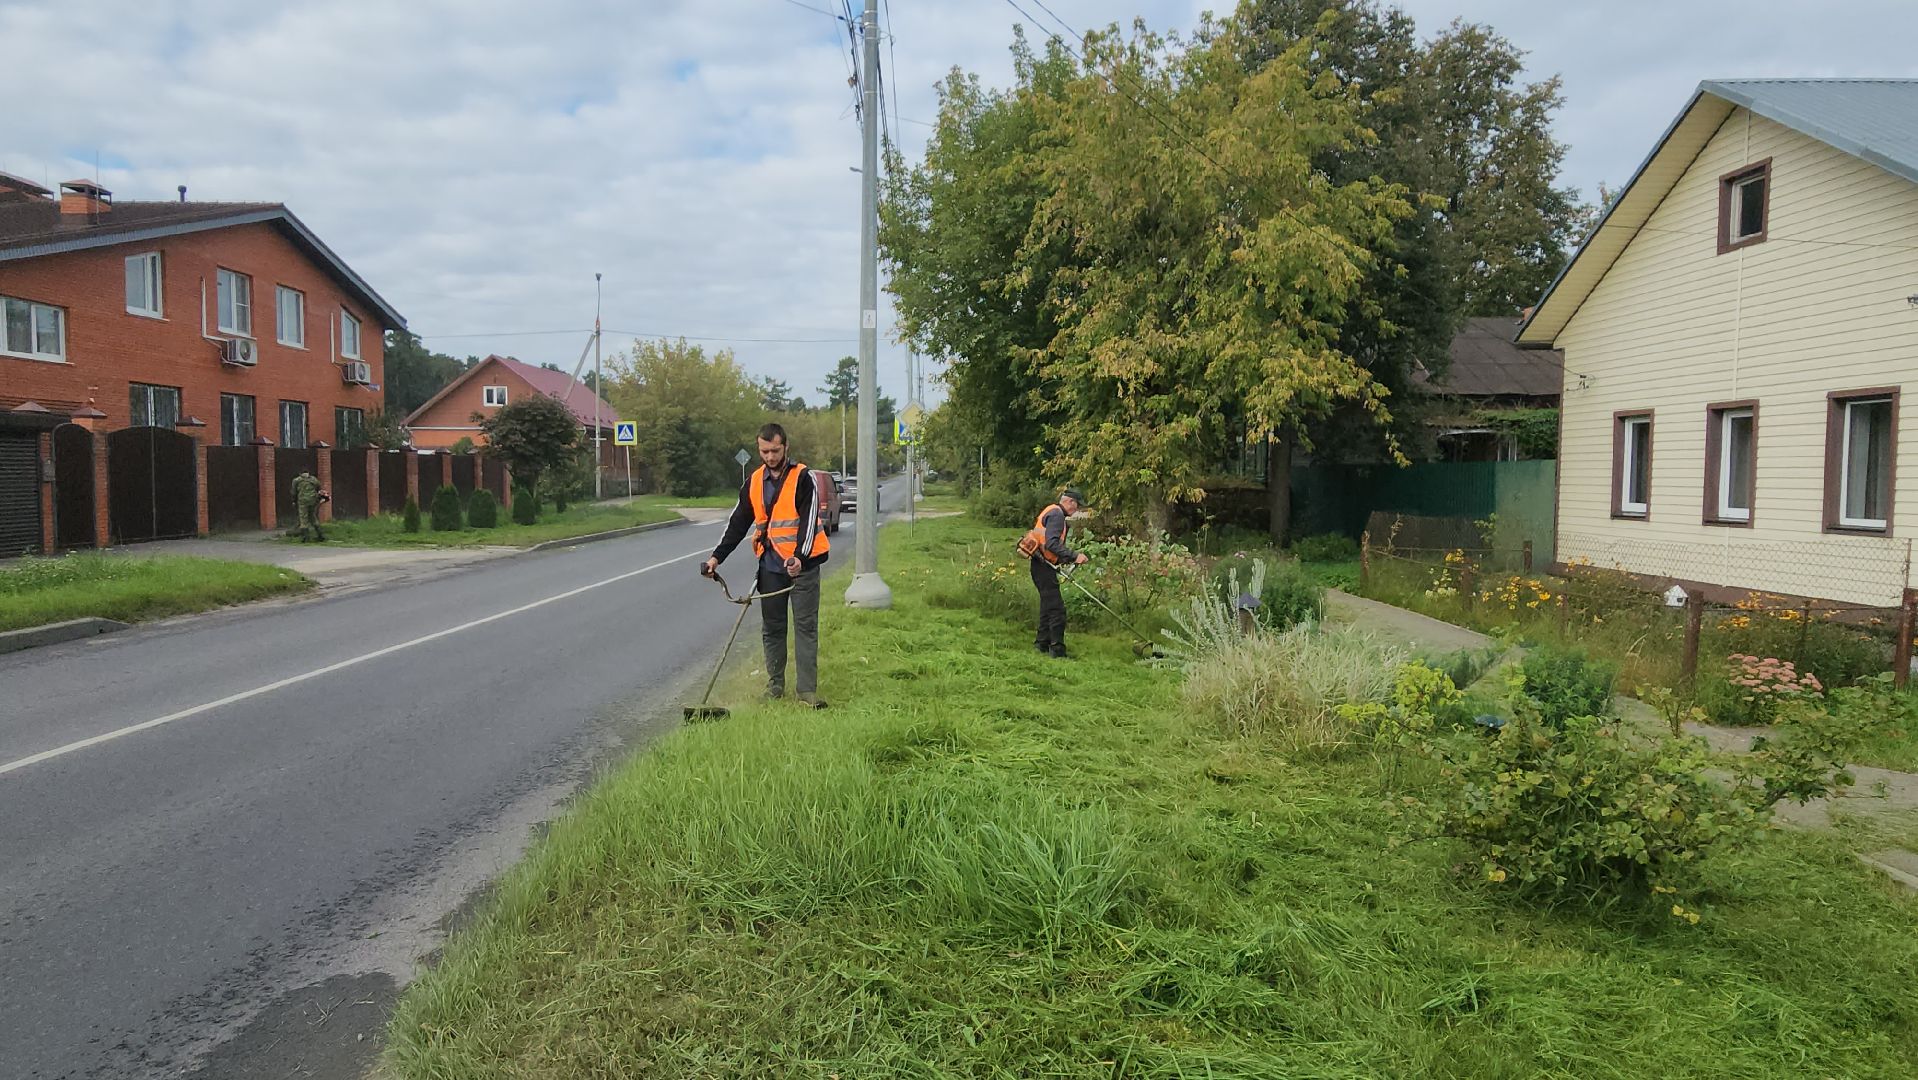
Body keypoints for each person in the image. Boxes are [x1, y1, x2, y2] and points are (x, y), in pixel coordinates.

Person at [703, 423, 832, 707]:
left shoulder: (803, 478)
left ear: (786, 447)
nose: (770, 456)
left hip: (803, 568)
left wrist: (800, 556)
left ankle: (806, 692)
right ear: (758, 449)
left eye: (775, 450)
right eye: (764, 451)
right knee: (772, 628)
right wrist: (716, 558)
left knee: (805, 627)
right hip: (771, 567)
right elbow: (737, 524)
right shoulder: (754, 482)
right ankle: (775, 686)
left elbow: (809, 522)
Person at [1027, 488, 1088, 658]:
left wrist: (1064, 559)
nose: (1076, 510)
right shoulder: (1057, 515)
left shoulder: (1051, 510)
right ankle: (1057, 650)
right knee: (1057, 610)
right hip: (1043, 566)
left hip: (1041, 564)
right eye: (1076, 506)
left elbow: (1048, 544)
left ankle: (1041, 644)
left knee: (1048, 607)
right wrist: (1075, 556)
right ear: (1069, 502)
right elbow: (1052, 545)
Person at [291, 470, 329, 542]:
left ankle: (306, 538)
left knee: (303, 518)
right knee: (312, 517)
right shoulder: (314, 479)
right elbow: (319, 488)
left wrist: (294, 501)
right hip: (313, 501)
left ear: (300, 473)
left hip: (302, 502)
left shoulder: (296, 480)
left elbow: (294, 492)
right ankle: (321, 535)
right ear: (308, 473)